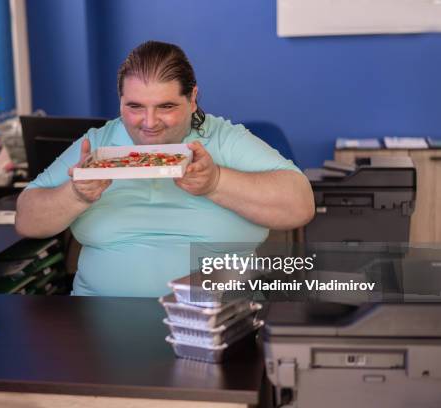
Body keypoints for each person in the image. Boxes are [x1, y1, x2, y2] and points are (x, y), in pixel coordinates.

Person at [16, 41, 314, 297]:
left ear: (193, 99)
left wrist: (216, 182)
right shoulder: (99, 143)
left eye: (166, 107)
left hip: (215, 318)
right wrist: (76, 194)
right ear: (120, 101)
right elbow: (27, 220)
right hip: (98, 317)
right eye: (135, 107)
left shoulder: (224, 139)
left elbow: (299, 206)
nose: (149, 122)